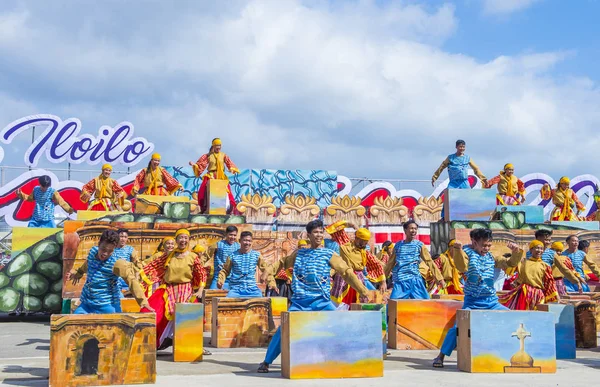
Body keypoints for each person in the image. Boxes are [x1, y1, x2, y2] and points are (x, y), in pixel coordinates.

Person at [257, 219, 369, 373]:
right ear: (308, 235)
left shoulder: (329, 254)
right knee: (283, 330)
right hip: (300, 303)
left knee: (340, 326)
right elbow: (282, 263)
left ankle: (352, 360)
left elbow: (346, 272)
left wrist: (363, 290)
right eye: (315, 232)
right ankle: (267, 361)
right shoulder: (300, 253)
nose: (319, 235)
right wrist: (268, 271)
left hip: (321, 302)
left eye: (321, 232)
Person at [432, 228, 523, 368]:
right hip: (472, 302)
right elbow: (461, 267)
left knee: (512, 318)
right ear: (474, 242)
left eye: (488, 245)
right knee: (457, 328)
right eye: (483, 245)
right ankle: (441, 356)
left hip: (491, 302)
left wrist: (516, 253)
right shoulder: (466, 253)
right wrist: (457, 250)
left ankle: (507, 353)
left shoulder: (491, 257)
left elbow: (509, 263)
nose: (486, 248)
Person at [139, 228, 207, 350]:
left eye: (185, 238)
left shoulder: (193, 256)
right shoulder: (168, 256)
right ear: (176, 240)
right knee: (148, 310)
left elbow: (201, 273)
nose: (183, 240)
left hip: (185, 290)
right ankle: (155, 342)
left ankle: (194, 348)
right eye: (180, 237)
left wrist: (200, 290)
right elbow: (153, 265)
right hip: (168, 288)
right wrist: (137, 271)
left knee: (190, 319)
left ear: (188, 240)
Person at [66, 230, 152, 314]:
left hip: (107, 306)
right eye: (103, 249)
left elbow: (131, 281)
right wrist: (78, 273)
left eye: (110, 251)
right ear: (99, 244)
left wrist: (143, 302)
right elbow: (88, 264)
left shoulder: (117, 263)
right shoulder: (93, 252)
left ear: (114, 249)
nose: (105, 254)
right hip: (87, 304)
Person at [325, 221, 386, 307]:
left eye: (365, 242)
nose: (364, 244)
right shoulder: (345, 244)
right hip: (344, 277)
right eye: (362, 241)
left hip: (358, 279)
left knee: (359, 303)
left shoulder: (365, 253)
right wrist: (351, 224)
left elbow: (376, 265)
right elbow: (335, 227)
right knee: (336, 302)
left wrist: (383, 282)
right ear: (356, 238)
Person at [385, 221, 444, 299]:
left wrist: (439, 278)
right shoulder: (398, 245)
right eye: (411, 228)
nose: (414, 231)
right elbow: (390, 263)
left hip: (415, 281)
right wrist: (383, 279)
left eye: (415, 229)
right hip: (401, 281)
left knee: (425, 305)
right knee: (394, 306)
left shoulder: (419, 245)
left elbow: (429, 262)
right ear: (405, 230)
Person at [499, 240, 558, 310]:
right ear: (531, 249)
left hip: (537, 295)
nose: (539, 250)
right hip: (523, 294)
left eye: (541, 249)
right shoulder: (523, 262)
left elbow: (549, 283)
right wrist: (515, 252)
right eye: (537, 248)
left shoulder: (545, 266)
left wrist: (555, 297)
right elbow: (510, 266)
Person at [217, 231, 277, 297]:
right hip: (236, 289)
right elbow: (225, 270)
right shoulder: (232, 256)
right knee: (229, 303)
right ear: (240, 241)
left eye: (249, 241)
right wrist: (220, 280)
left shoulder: (256, 255)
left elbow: (266, 269)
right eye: (245, 240)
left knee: (260, 303)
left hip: (252, 289)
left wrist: (271, 283)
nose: (247, 243)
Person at [189, 138, 240, 213]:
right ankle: (206, 208)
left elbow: (230, 163)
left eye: (219, 146)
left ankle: (226, 209)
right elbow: (200, 164)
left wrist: (232, 169)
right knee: (204, 191)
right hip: (211, 175)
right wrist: (194, 165)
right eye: (217, 146)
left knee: (227, 192)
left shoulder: (223, 155)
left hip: (221, 176)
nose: (218, 147)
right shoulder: (208, 156)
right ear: (213, 146)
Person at [527, 230, 582, 296]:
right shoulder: (529, 253)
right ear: (538, 239)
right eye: (545, 240)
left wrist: (576, 281)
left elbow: (563, 268)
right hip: (533, 284)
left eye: (549, 240)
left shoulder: (552, 253)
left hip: (547, 284)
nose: (548, 242)